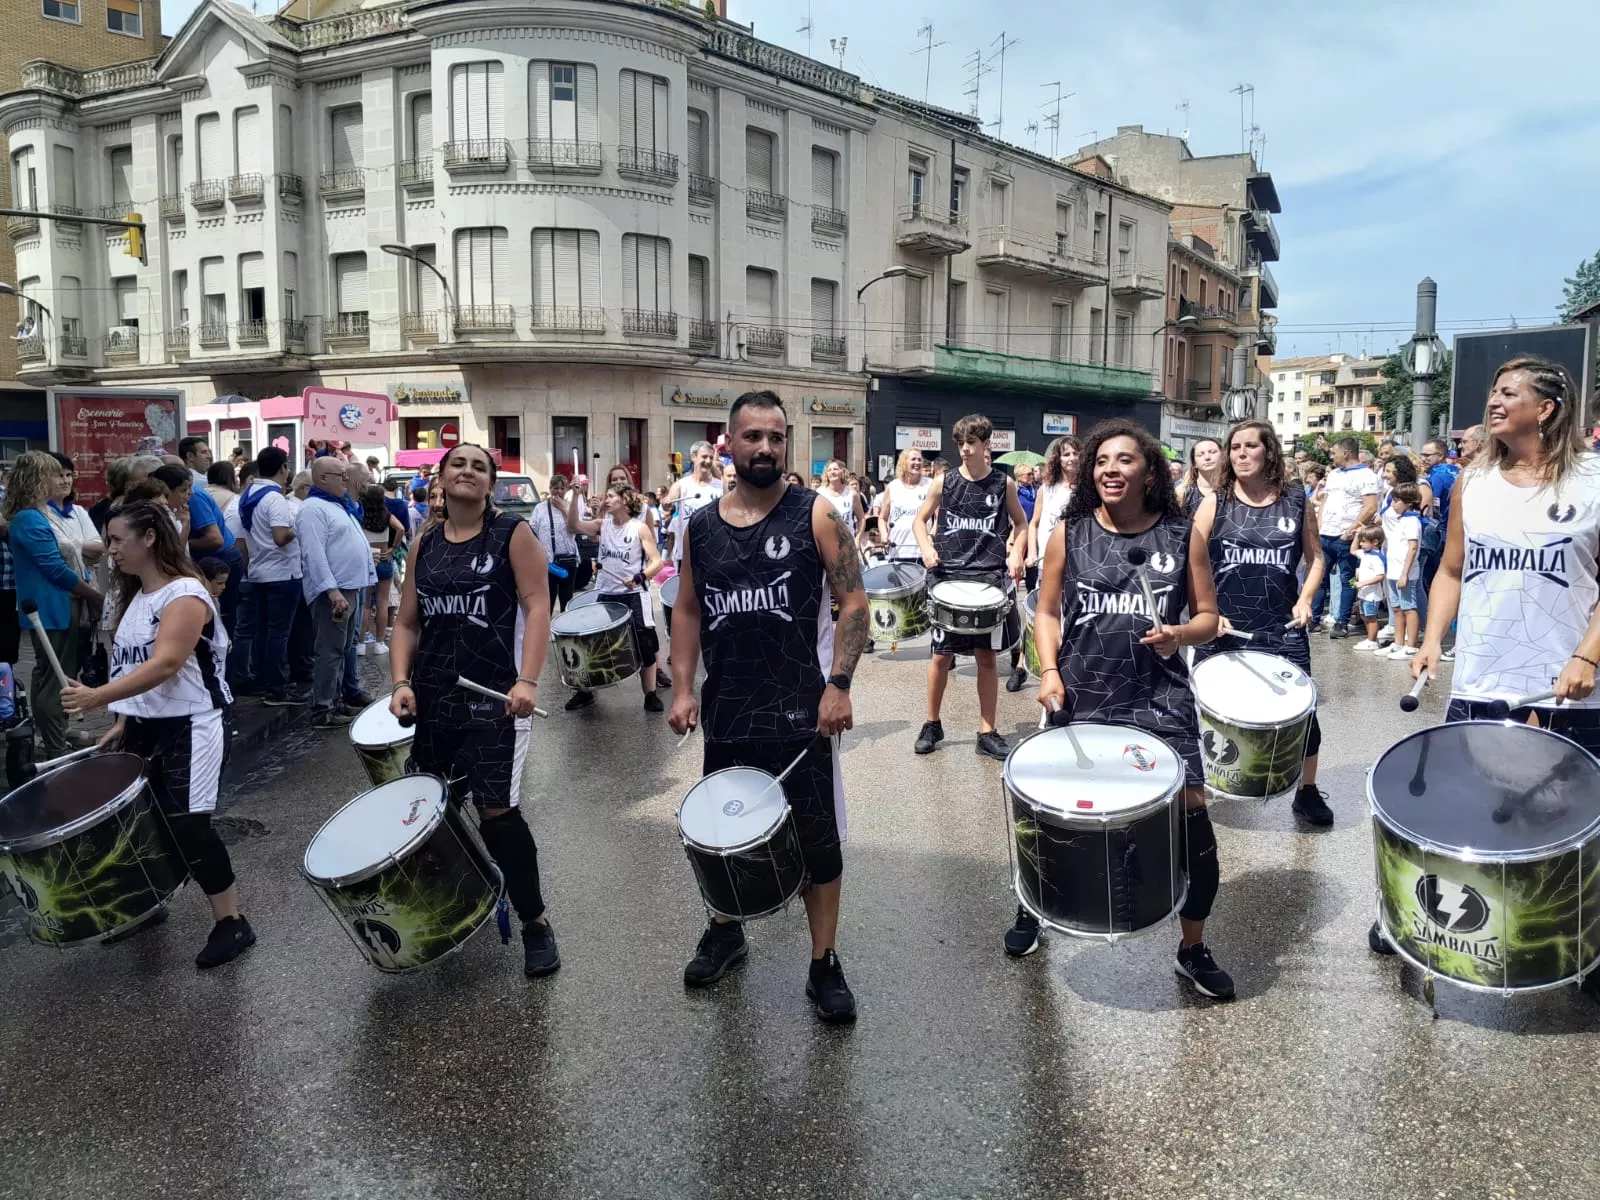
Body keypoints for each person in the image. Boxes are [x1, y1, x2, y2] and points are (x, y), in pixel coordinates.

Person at [1389, 359, 1600, 967]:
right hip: (1482, 674)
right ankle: (1481, 930)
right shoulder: (1473, 482)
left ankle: (1578, 942)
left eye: (1510, 393)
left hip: (1568, 683)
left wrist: (1587, 654)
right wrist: (1432, 638)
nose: (1495, 402)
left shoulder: (1591, 480)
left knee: (1574, 818)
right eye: (1494, 392)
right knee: (1481, 810)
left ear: (1548, 409)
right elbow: (1451, 569)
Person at [667, 390, 868, 1023]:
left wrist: (839, 683)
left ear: (788, 444)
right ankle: (725, 931)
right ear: (730, 443)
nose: (765, 447)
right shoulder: (699, 527)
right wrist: (679, 687)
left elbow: (855, 602)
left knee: (816, 841)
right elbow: (687, 608)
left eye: (776, 437)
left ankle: (823, 962)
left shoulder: (818, 513)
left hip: (800, 709)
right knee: (724, 830)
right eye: (752, 436)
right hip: (729, 707)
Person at [1018, 418, 1232, 998]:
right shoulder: (1070, 531)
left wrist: (1180, 635)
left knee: (1192, 810)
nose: (1111, 469)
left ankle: (1192, 947)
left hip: (1159, 693)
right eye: (1102, 461)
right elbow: (1047, 611)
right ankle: (1032, 905)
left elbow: (1210, 618)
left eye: (1125, 460)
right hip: (1082, 689)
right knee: (1052, 810)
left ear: (1149, 471)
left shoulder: (1184, 534)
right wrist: (1050, 671)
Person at [389, 444, 558, 978]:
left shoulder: (512, 535)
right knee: (432, 812)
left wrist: (527, 679)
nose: (467, 471)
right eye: (457, 464)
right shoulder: (425, 544)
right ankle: (461, 903)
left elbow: (537, 606)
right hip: (435, 698)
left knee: (497, 813)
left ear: (490, 485)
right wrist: (400, 682)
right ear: (440, 478)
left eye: (478, 467)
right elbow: (408, 622)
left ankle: (535, 923)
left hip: (496, 699)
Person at [61, 502, 255, 968]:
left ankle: (232, 922)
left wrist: (97, 697)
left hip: (193, 724)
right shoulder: (136, 598)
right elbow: (131, 663)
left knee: (189, 823)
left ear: (149, 538)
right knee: (141, 821)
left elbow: (166, 663)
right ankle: (149, 902)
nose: (110, 551)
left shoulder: (185, 593)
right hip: (146, 726)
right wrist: (122, 719)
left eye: (116, 540)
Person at [1192, 420, 1331, 826]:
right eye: (1234, 447)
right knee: (1208, 709)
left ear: (1268, 451)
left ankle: (1306, 791)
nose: (1241, 454)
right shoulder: (1216, 501)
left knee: (1303, 712)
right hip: (1224, 626)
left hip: (1280, 627)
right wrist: (1206, 610)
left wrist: (1306, 599)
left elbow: (1317, 558)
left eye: (1250, 446)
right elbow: (1191, 559)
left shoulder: (1295, 500)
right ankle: (1200, 786)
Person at [911, 414, 1029, 761]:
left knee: (986, 658)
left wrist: (1017, 552)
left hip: (988, 576)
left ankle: (987, 731)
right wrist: (927, 548)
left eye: (971, 443)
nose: (965, 449)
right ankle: (932, 724)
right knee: (940, 656)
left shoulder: (1002, 484)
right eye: (960, 443)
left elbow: (1020, 523)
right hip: (948, 574)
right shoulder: (943, 483)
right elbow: (920, 521)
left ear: (985, 445)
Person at [6, 452, 103, 757]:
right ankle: (55, 746)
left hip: (54, 605)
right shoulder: (30, 518)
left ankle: (57, 735)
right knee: (55, 678)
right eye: (53, 474)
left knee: (55, 673)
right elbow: (54, 569)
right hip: (51, 608)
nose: (60, 480)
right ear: (37, 480)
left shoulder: (33, 515)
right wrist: (92, 594)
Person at [568, 483, 666, 712]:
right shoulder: (603, 526)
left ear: (623, 500)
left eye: (611, 496)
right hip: (607, 593)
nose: (606, 499)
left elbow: (657, 562)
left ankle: (650, 695)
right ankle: (584, 693)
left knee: (645, 646)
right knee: (593, 645)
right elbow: (573, 526)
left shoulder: (639, 528)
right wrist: (575, 496)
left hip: (633, 594)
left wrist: (640, 577)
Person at [296, 457, 376, 730]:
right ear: (322, 479)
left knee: (342, 649)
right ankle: (323, 709)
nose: (346, 480)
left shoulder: (336, 505)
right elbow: (314, 554)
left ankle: (336, 699)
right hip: (335, 591)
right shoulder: (313, 509)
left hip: (349, 587)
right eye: (340, 476)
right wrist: (331, 591)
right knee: (329, 651)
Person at [233, 447, 302, 706]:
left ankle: (265, 681)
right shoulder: (274, 499)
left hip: (259, 571)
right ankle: (278, 688)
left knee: (263, 632)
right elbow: (280, 536)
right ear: (283, 468)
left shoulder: (247, 494)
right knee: (278, 634)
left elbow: (242, 540)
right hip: (283, 573)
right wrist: (297, 527)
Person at [1311, 437, 1379, 638]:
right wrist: (1319, 526)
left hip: (1346, 536)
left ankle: (1342, 621)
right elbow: (1325, 501)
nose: (1331, 456)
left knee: (1347, 579)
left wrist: (1351, 530)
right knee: (1319, 577)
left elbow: (1370, 506)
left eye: (1334, 453)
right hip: (1326, 534)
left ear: (1346, 453)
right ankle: (1313, 619)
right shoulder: (1334, 475)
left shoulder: (1366, 475)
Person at [357, 485, 405, 656]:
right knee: (383, 602)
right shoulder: (386, 514)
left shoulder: (360, 514)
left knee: (365, 604)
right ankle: (379, 643)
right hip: (384, 558)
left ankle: (360, 643)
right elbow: (400, 528)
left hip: (367, 559)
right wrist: (393, 547)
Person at [663, 441, 723, 570]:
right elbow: (669, 503)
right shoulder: (681, 484)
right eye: (704, 457)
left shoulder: (720, 486)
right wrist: (666, 503)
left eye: (710, 458)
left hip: (713, 554)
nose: (707, 461)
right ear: (693, 457)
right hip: (686, 556)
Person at [1380, 482, 1423, 660]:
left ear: (1408, 502)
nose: (1392, 504)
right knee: (1397, 608)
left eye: (1396, 501)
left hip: (1405, 572)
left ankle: (1411, 646)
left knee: (1409, 608)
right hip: (1393, 569)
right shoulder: (1399, 519)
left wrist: (1405, 574)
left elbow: (1412, 548)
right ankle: (1398, 643)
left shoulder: (1412, 521)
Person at [529, 475, 581, 614]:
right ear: (550, 489)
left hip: (567, 559)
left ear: (566, 490)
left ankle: (565, 631)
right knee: (548, 598)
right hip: (547, 561)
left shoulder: (571, 507)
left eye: (561, 488)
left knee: (566, 597)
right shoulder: (540, 508)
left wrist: (563, 509)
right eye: (555, 488)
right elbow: (532, 531)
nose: (558, 491)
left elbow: (575, 528)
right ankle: (546, 630)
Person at [875, 449, 932, 564]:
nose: (917, 463)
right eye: (913, 459)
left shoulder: (930, 485)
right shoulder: (893, 486)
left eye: (919, 460)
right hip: (898, 550)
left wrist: (931, 536)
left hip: (922, 552)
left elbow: (939, 517)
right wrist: (884, 534)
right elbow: (882, 518)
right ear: (904, 463)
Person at [817, 460, 867, 552]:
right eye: (829, 470)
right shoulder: (820, 493)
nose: (832, 472)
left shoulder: (852, 493)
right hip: (826, 546)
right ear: (826, 474)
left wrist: (858, 539)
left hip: (847, 544)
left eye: (835, 469)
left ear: (842, 472)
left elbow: (861, 518)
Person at [1351, 526, 1388, 649]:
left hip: (1372, 594)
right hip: (1364, 593)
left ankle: (1372, 641)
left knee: (1371, 618)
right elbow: (1353, 550)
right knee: (1364, 616)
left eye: (1364, 541)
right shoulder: (1366, 554)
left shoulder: (1376, 558)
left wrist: (1363, 583)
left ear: (1375, 542)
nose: (1361, 544)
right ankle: (1370, 638)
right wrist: (1357, 535)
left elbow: (1380, 576)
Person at [1176, 437, 1225, 519]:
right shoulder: (1182, 493)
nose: (1207, 457)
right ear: (1194, 463)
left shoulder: (1234, 491)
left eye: (1212, 452)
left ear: (1223, 456)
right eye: (1200, 454)